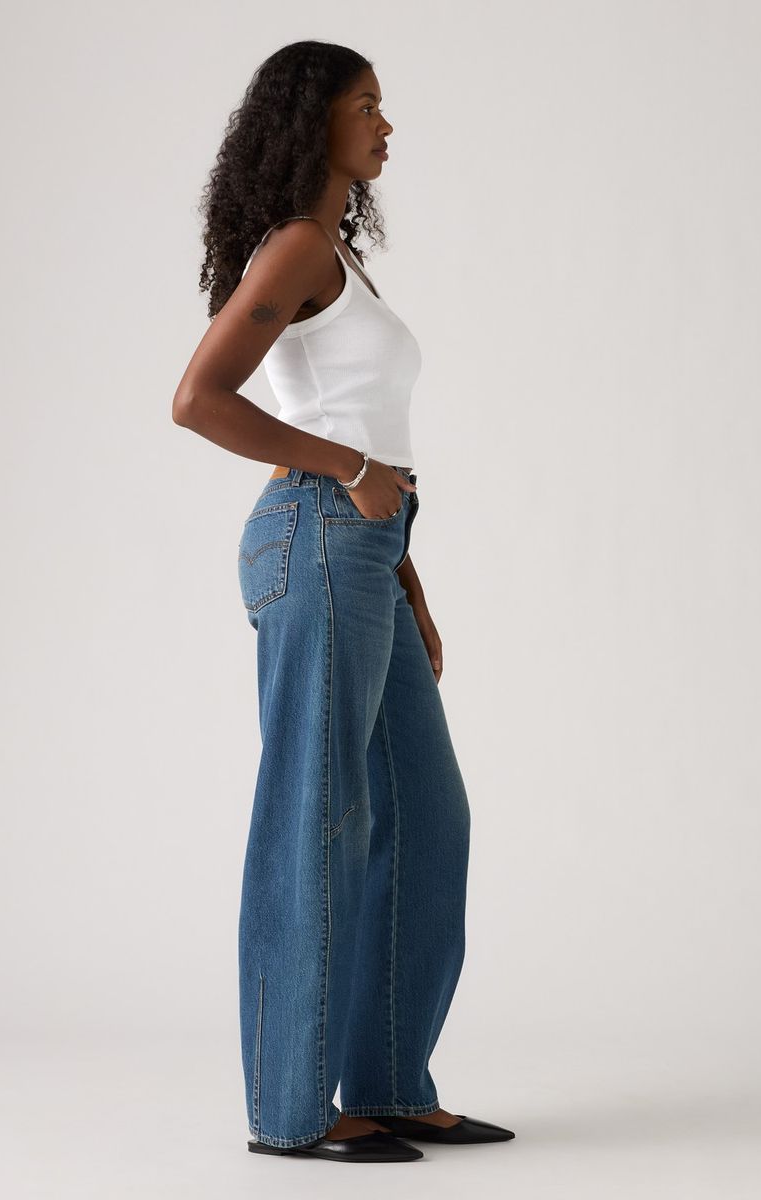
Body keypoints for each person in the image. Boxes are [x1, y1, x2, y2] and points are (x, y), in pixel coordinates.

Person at [172, 40, 515, 1164]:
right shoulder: (297, 245)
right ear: (313, 119)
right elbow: (198, 398)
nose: (385, 124)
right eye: (367, 105)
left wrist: (406, 570)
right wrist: (353, 474)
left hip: (364, 552)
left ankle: (387, 1083)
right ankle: (290, 1111)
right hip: (316, 536)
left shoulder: (338, 258)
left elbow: (362, 425)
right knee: (318, 816)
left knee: (425, 814)